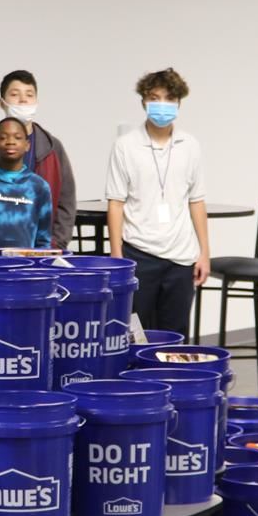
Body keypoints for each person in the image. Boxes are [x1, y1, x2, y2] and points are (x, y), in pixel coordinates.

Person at [105, 69, 208, 337]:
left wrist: (204, 253)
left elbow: (196, 201)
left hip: (181, 257)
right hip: (139, 252)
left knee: (176, 334)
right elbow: (115, 202)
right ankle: (138, 380)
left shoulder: (191, 146)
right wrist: (117, 257)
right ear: (143, 101)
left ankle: (173, 380)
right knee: (136, 333)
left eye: (168, 98)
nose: (161, 104)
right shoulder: (125, 146)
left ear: (179, 103)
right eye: (154, 97)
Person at [0, 70, 77, 248]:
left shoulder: (52, 148)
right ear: (2, 103)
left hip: (37, 254)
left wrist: (54, 247)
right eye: (15, 94)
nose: (23, 100)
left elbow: (66, 202)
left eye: (29, 95)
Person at [0, 116, 54, 250]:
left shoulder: (39, 187)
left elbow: (43, 240)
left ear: (27, 145)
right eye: (3, 137)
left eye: (17, 137)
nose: (10, 142)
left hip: (25, 266)